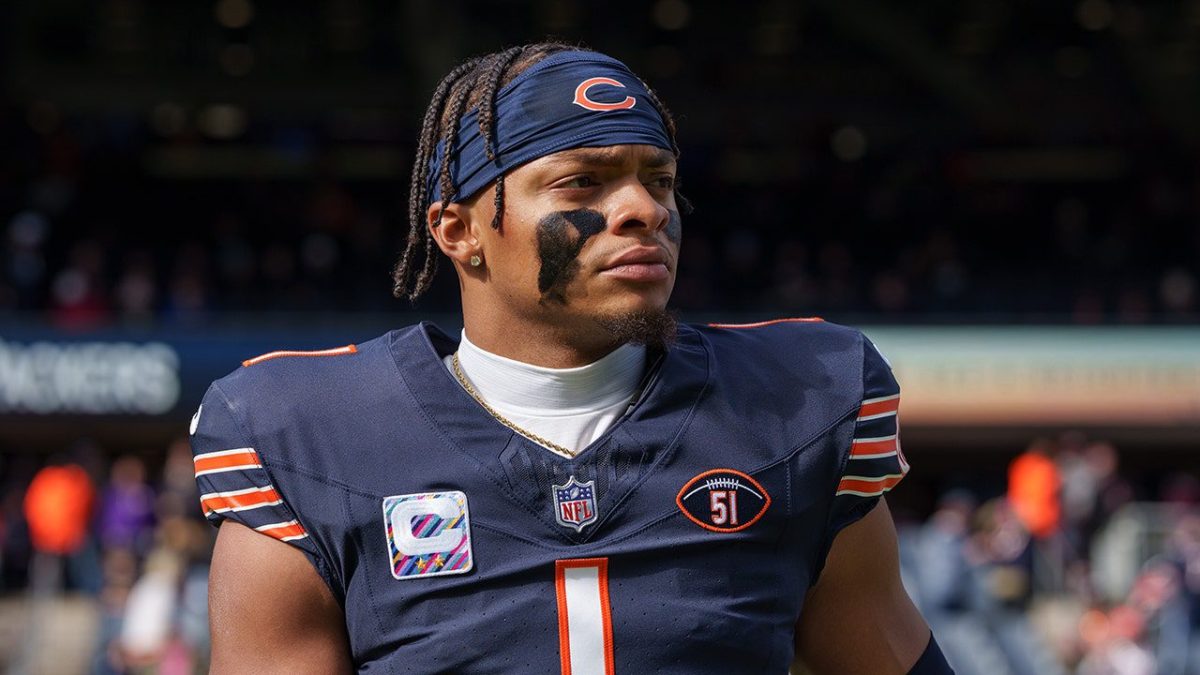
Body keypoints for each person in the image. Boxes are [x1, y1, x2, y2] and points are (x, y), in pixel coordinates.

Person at [190, 42, 952, 674]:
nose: (644, 209)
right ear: (458, 231)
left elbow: (879, 645)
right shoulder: (305, 430)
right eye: (582, 182)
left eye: (659, 181)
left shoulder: (798, 402)